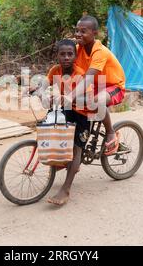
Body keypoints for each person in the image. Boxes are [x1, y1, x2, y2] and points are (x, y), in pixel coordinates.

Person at [31, 39, 89, 206]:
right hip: (64, 110)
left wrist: (69, 98)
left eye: (70, 54)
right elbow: (44, 85)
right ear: (57, 56)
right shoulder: (55, 70)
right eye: (62, 54)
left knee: (77, 149)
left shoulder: (80, 74)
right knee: (49, 128)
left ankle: (66, 189)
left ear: (75, 56)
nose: (66, 57)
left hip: (82, 113)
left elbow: (89, 98)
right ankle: (62, 160)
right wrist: (40, 93)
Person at [72, 15, 126, 155]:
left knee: (96, 102)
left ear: (94, 33)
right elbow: (62, 69)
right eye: (77, 31)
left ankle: (110, 132)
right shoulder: (78, 49)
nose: (78, 34)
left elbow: (88, 79)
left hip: (113, 86)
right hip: (96, 85)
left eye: (83, 31)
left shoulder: (99, 51)